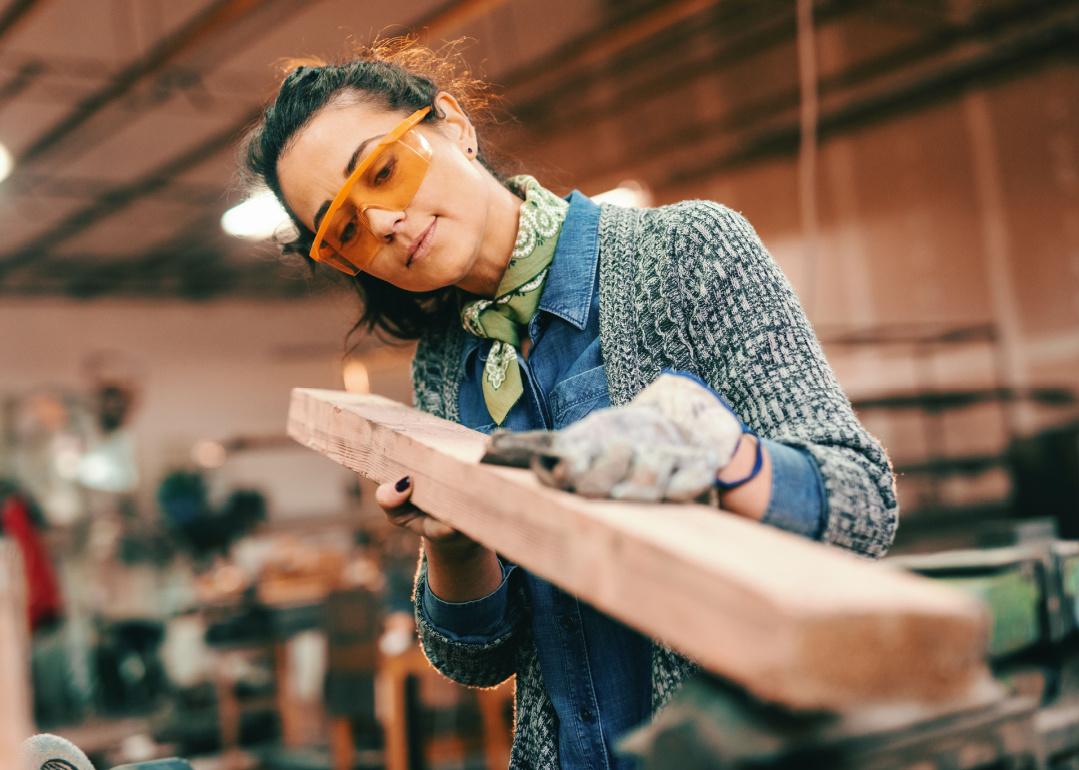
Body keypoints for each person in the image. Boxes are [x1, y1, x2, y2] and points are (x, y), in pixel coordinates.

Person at [242, 39, 898, 770]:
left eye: (384, 171)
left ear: (453, 124)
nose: (383, 223)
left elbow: (863, 506)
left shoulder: (684, 251)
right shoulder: (444, 365)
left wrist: (727, 462)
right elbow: (479, 658)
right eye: (344, 229)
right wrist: (453, 541)